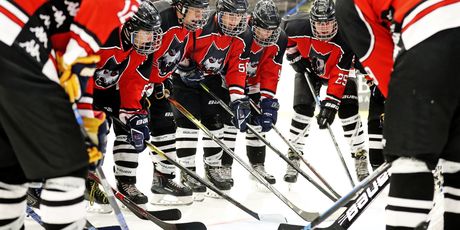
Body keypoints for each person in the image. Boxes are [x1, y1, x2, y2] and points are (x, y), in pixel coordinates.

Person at [0, 0, 139, 229]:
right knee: (68, 165)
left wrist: (84, 115)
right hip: (16, 40)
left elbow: (71, 56)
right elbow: (76, 59)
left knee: (10, 165)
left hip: (13, 35)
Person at [336, 0, 460, 229]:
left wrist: (399, 105)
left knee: (410, 163)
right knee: (455, 163)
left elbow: (375, 51)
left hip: (432, 38)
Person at [281, 0, 370, 183]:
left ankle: (360, 155)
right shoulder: (297, 25)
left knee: (348, 110)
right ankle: (294, 155)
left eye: (328, 22)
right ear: (312, 21)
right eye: (319, 23)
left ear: (335, 21)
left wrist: (331, 104)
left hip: (337, 71)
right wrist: (293, 54)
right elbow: (284, 33)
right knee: (302, 108)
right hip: (310, 70)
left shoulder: (345, 36)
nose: (324, 28)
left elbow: (340, 73)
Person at [172, 0, 252, 194]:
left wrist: (238, 98)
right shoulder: (201, 24)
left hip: (212, 79)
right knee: (188, 123)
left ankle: (213, 167)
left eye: (238, 16)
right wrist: (185, 67)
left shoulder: (244, 35)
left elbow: (236, 69)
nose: (234, 21)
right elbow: (180, 46)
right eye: (230, 16)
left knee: (215, 121)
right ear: (220, 13)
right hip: (184, 79)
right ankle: (188, 170)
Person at [89, 0, 164, 206]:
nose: (151, 38)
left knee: (132, 128)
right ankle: (89, 181)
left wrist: (132, 113)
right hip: (83, 89)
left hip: (114, 90)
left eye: (153, 33)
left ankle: (126, 183)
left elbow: (133, 80)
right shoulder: (102, 36)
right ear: (129, 27)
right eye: (146, 32)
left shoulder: (142, 48)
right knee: (96, 131)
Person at [146, 0, 211, 204]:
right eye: (195, 12)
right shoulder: (161, 17)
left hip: (157, 82)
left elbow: (172, 54)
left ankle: (162, 181)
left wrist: (172, 74)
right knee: (126, 134)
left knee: (165, 127)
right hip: (135, 82)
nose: (200, 17)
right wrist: (149, 80)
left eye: (202, 12)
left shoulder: (187, 26)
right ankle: (101, 185)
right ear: (181, 8)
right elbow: (143, 51)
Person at [220, 0, 287, 186]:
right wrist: (238, 95)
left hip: (255, 83)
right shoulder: (241, 32)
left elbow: (271, 70)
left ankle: (258, 165)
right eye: (263, 29)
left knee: (259, 123)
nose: (267, 34)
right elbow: (234, 65)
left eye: (271, 30)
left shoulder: (280, 38)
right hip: (231, 82)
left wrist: (267, 100)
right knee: (231, 123)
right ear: (252, 23)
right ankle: (224, 165)